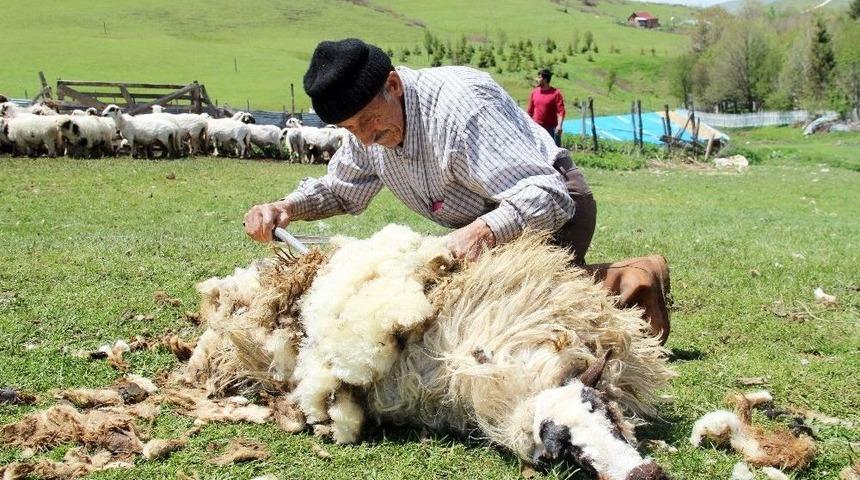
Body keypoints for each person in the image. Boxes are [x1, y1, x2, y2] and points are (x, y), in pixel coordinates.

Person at [244, 38, 670, 344]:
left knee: (498, 324)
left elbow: (547, 194)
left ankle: (629, 282)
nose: (367, 138)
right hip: (485, 224)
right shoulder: (365, 134)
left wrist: (481, 233)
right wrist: (286, 208)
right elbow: (342, 190)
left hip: (550, 210)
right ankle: (618, 272)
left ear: (393, 85)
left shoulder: (462, 107)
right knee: (444, 311)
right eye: (351, 129)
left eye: (370, 120)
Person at [527, 68, 565, 147]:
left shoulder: (556, 93)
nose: (536, 79)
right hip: (537, 128)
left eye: (539, 77)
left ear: (545, 79)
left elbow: (561, 111)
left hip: (551, 129)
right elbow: (530, 111)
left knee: (555, 152)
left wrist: (559, 126)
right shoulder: (534, 92)